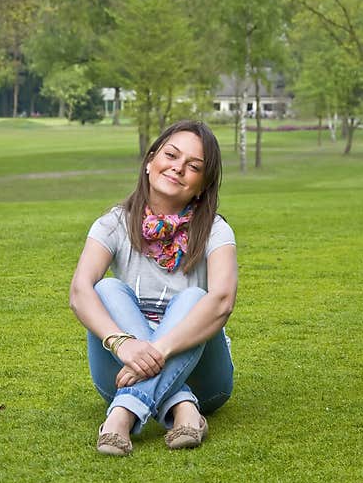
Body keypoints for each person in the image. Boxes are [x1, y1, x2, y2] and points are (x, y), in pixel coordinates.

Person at [69, 119, 237, 456]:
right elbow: (79, 292)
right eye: (171, 155)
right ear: (150, 161)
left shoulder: (216, 230)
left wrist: (157, 352)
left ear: (202, 185)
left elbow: (221, 301)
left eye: (193, 166)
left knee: (195, 298)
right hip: (122, 368)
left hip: (205, 379)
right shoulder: (114, 223)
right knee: (106, 289)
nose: (178, 168)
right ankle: (184, 409)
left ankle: (120, 416)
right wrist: (123, 345)